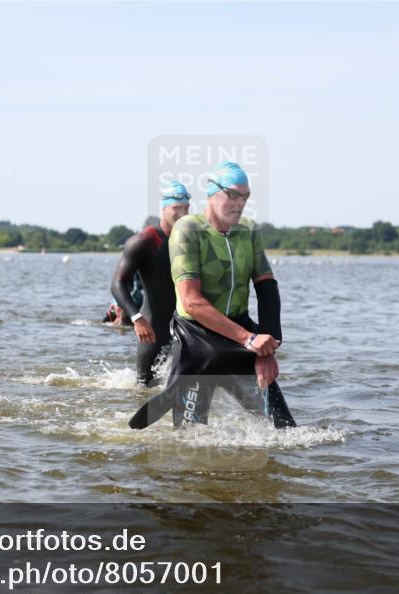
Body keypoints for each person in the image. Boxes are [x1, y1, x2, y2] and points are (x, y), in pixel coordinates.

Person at [130, 162, 296, 429]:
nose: (240, 203)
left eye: (246, 196)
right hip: (197, 342)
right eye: (233, 194)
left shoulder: (248, 231)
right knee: (190, 438)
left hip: (240, 337)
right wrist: (250, 339)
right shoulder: (188, 230)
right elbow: (192, 302)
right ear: (212, 193)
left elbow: (267, 289)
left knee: (285, 429)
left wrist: (267, 348)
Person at [110, 182, 189, 385]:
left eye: (186, 208)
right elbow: (118, 284)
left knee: (188, 386)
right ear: (163, 208)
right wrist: (137, 318)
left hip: (186, 328)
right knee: (145, 388)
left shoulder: (192, 239)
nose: (182, 213)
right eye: (176, 208)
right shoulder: (145, 240)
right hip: (154, 328)